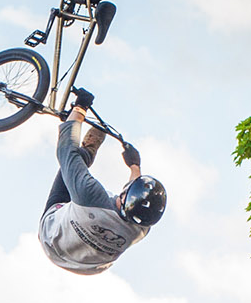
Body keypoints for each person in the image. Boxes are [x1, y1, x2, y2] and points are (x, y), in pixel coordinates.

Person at [36, 93, 165, 273]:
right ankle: (81, 138)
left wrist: (80, 109)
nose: (121, 192)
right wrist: (135, 166)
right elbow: (138, 198)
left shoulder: (91, 196)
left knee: (75, 160)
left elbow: (65, 151)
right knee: (78, 181)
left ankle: (88, 150)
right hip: (87, 266)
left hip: (51, 239)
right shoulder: (142, 227)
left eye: (123, 194)